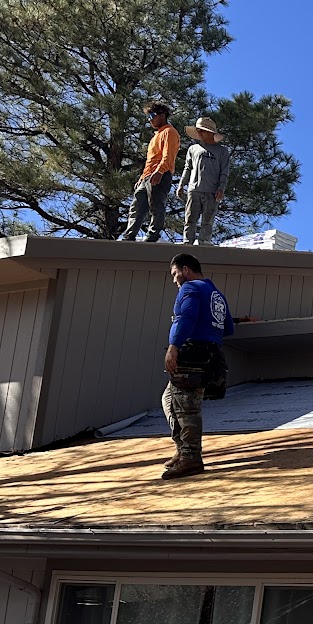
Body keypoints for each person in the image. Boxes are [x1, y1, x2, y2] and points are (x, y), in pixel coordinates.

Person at [161, 252, 234, 480]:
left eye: (175, 274)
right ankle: (183, 450)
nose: (175, 280)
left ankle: (191, 458)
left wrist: (174, 346)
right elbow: (228, 328)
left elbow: (186, 317)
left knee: (186, 407)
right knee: (169, 400)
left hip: (193, 354)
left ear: (186, 269)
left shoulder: (190, 288)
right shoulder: (217, 295)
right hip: (212, 355)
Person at [120, 101, 180, 242]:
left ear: (162, 115)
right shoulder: (156, 135)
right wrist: (142, 177)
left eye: (152, 115)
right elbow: (150, 160)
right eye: (148, 117)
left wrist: (160, 171)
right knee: (137, 206)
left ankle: (152, 236)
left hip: (161, 174)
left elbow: (168, 156)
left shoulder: (169, 132)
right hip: (147, 175)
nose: (150, 119)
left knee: (156, 205)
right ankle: (129, 236)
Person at [176, 116, 231, 245]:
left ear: (211, 132)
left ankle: (204, 241)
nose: (199, 133)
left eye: (202, 130)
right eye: (198, 131)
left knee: (208, 220)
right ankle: (187, 241)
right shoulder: (193, 149)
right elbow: (188, 168)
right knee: (190, 218)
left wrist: (221, 188)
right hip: (194, 189)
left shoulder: (222, 151)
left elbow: (224, 172)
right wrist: (181, 184)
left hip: (212, 191)